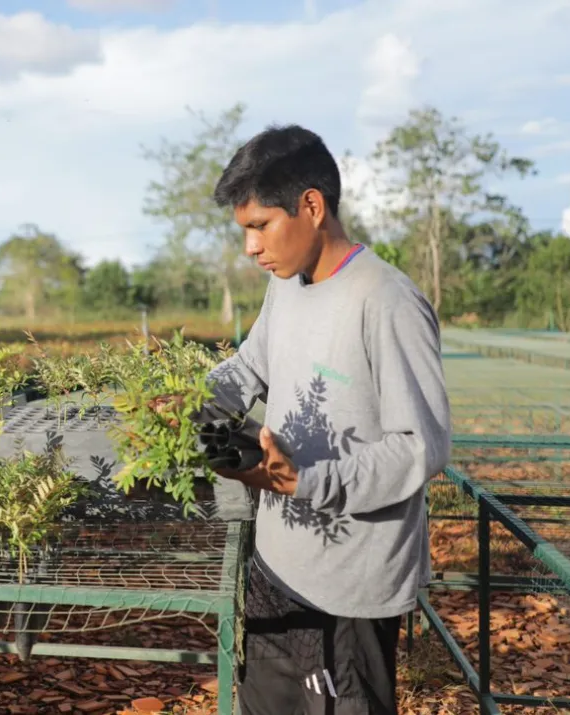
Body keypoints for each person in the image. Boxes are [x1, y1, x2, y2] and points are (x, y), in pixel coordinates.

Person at [204, 125, 451, 714]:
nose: (251, 248)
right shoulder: (285, 286)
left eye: (260, 225)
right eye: (245, 230)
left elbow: (420, 446)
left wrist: (308, 481)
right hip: (275, 562)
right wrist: (183, 406)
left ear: (311, 206)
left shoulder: (387, 301)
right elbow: (251, 367)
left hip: (348, 589)